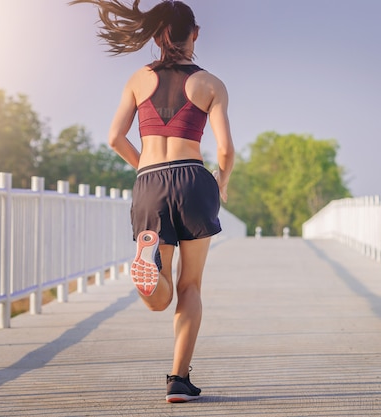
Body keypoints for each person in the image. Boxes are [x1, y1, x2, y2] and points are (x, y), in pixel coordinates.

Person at [70, 0, 235, 403]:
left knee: (159, 294)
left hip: (150, 183)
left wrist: (143, 169)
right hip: (194, 181)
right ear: (194, 34)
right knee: (191, 285)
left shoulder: (137, 79)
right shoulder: (210, 83)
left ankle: (148, 269)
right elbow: (226, 150)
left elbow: (114, 137)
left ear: (158, 34)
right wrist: (222, 183)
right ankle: (179, 380)